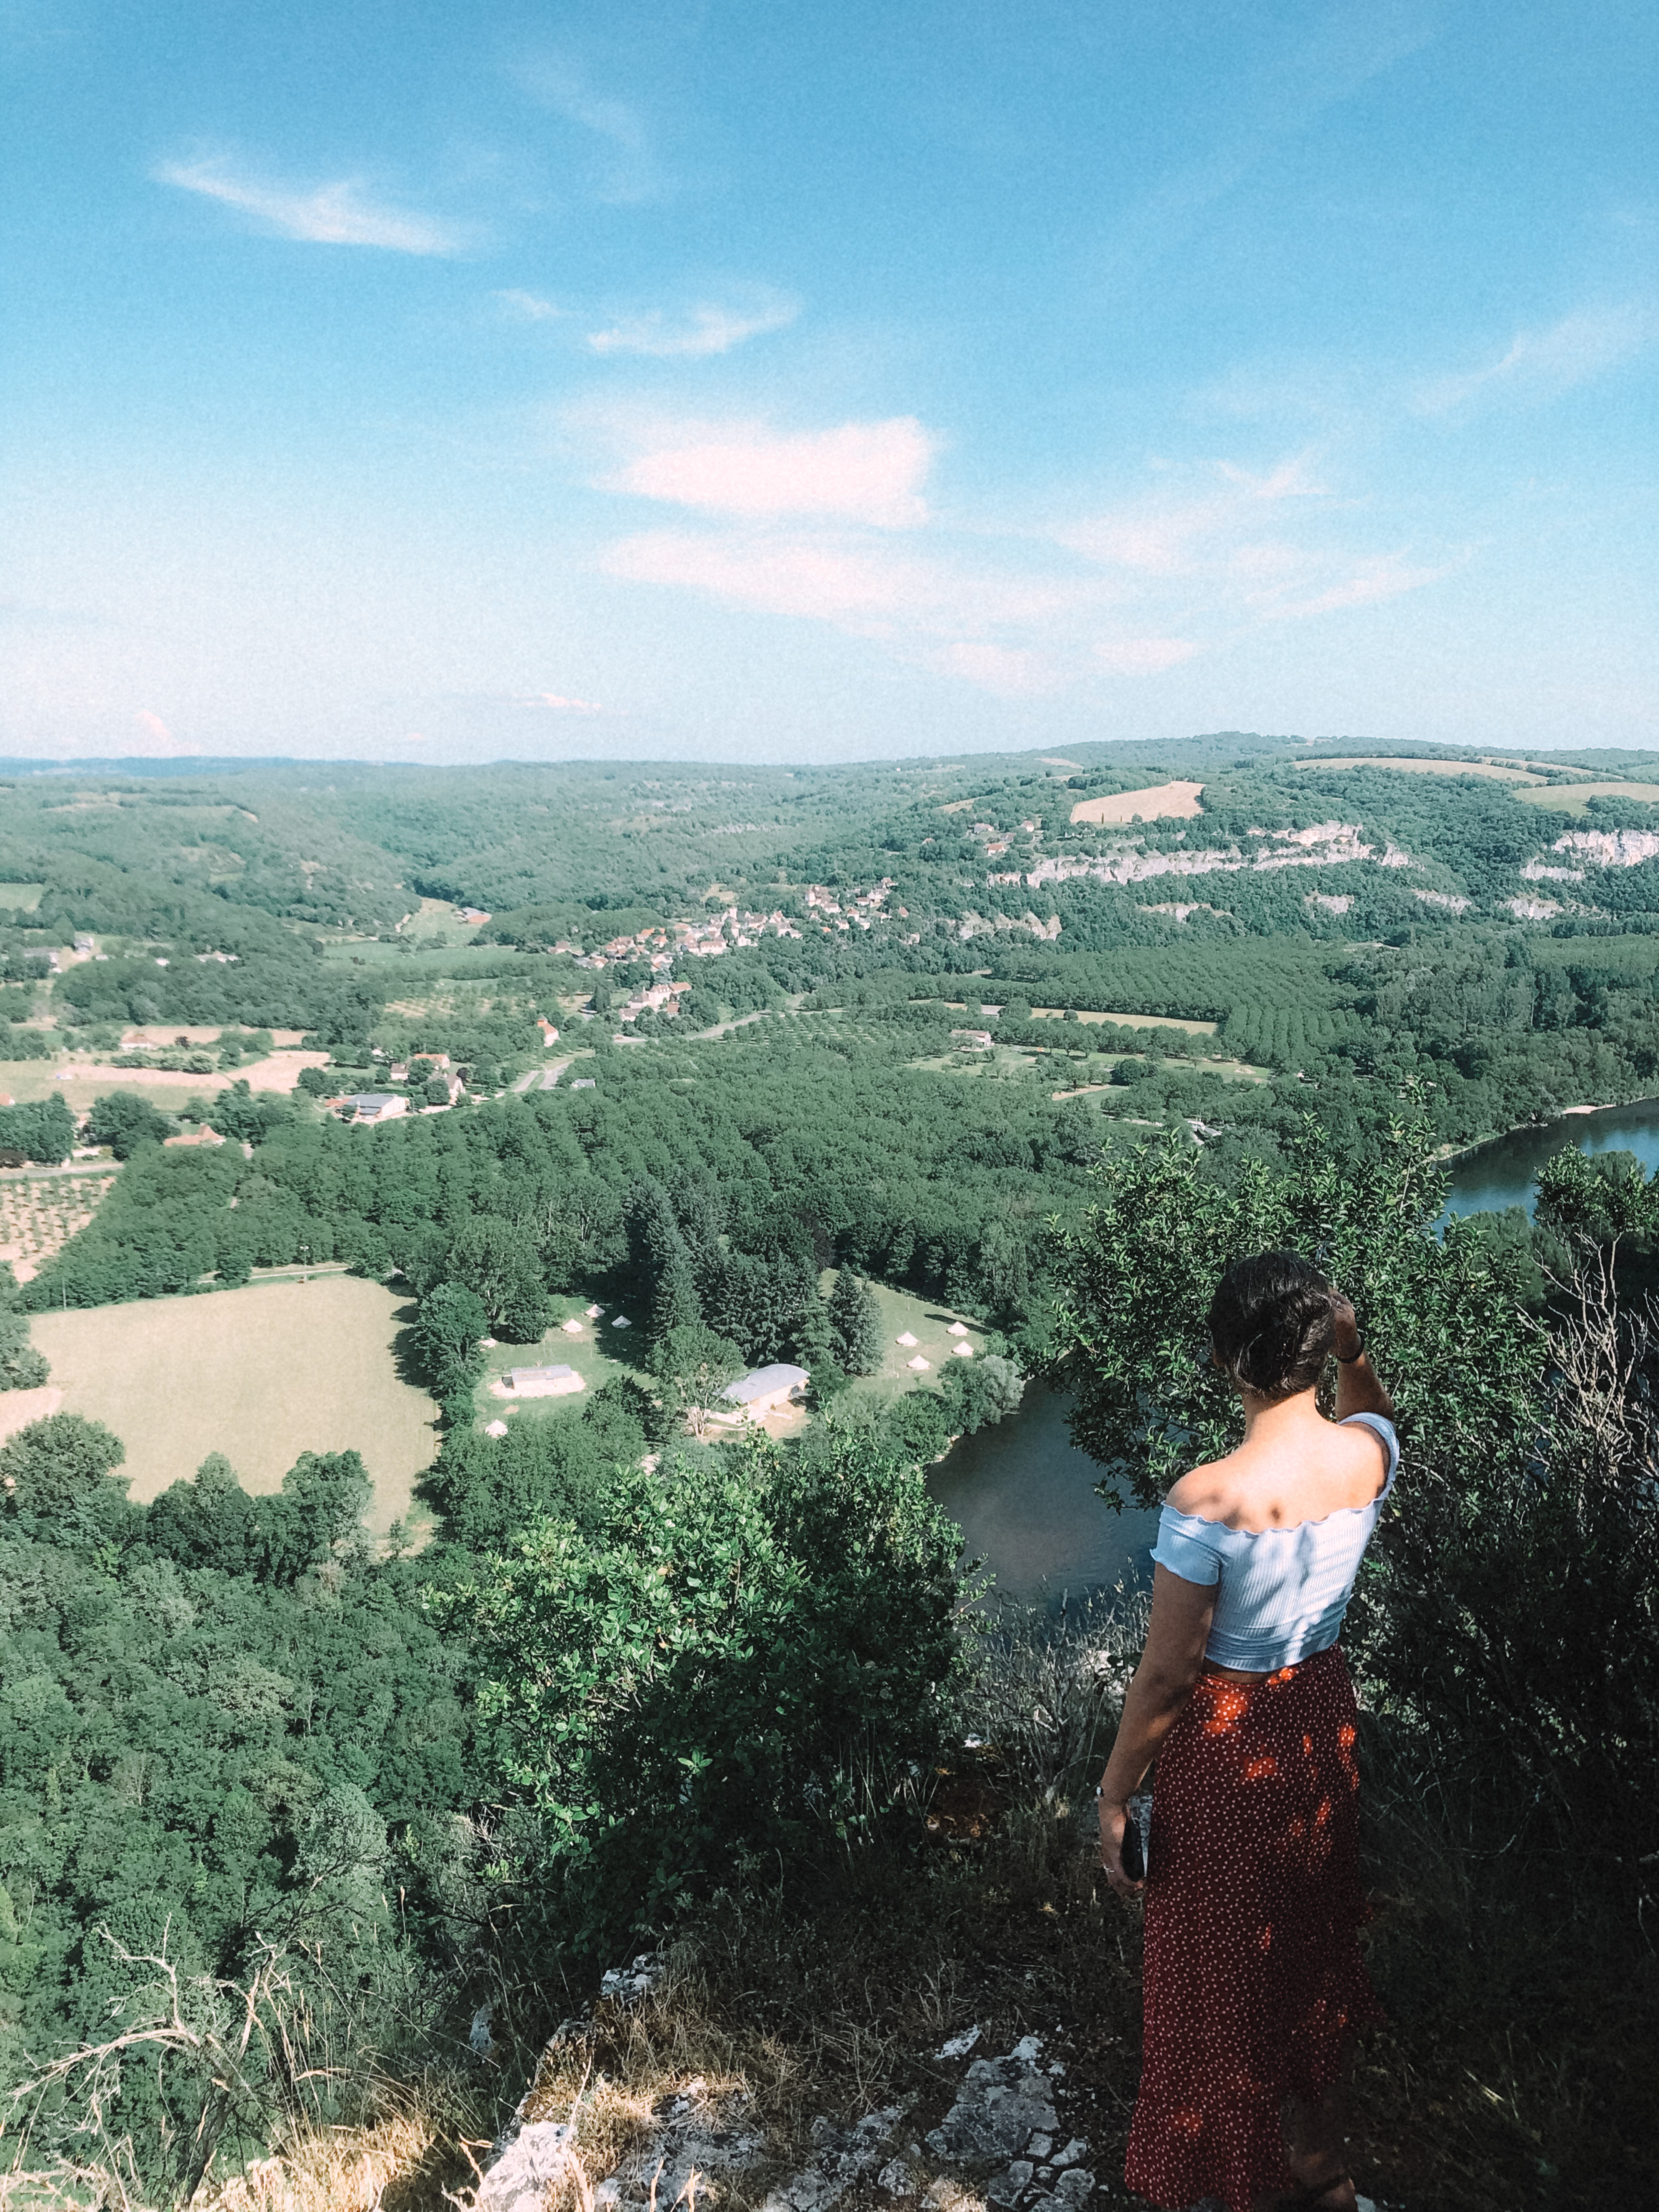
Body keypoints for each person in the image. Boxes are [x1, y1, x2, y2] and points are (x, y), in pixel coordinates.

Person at [1095, 1251, 1396, 2212]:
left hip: (1231, 1742)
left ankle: (1239, 2185)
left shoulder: (1206, 1500)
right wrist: (1355, 1352)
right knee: (1305, 1946)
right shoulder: (1367, 1453)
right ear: (1320, 1346)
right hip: (1317, 1723)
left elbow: (1169, 1678)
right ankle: (1320, 2163)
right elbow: (1374, 1408)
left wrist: (1113, 1793)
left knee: (1220, 1969)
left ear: (1226, 1357)